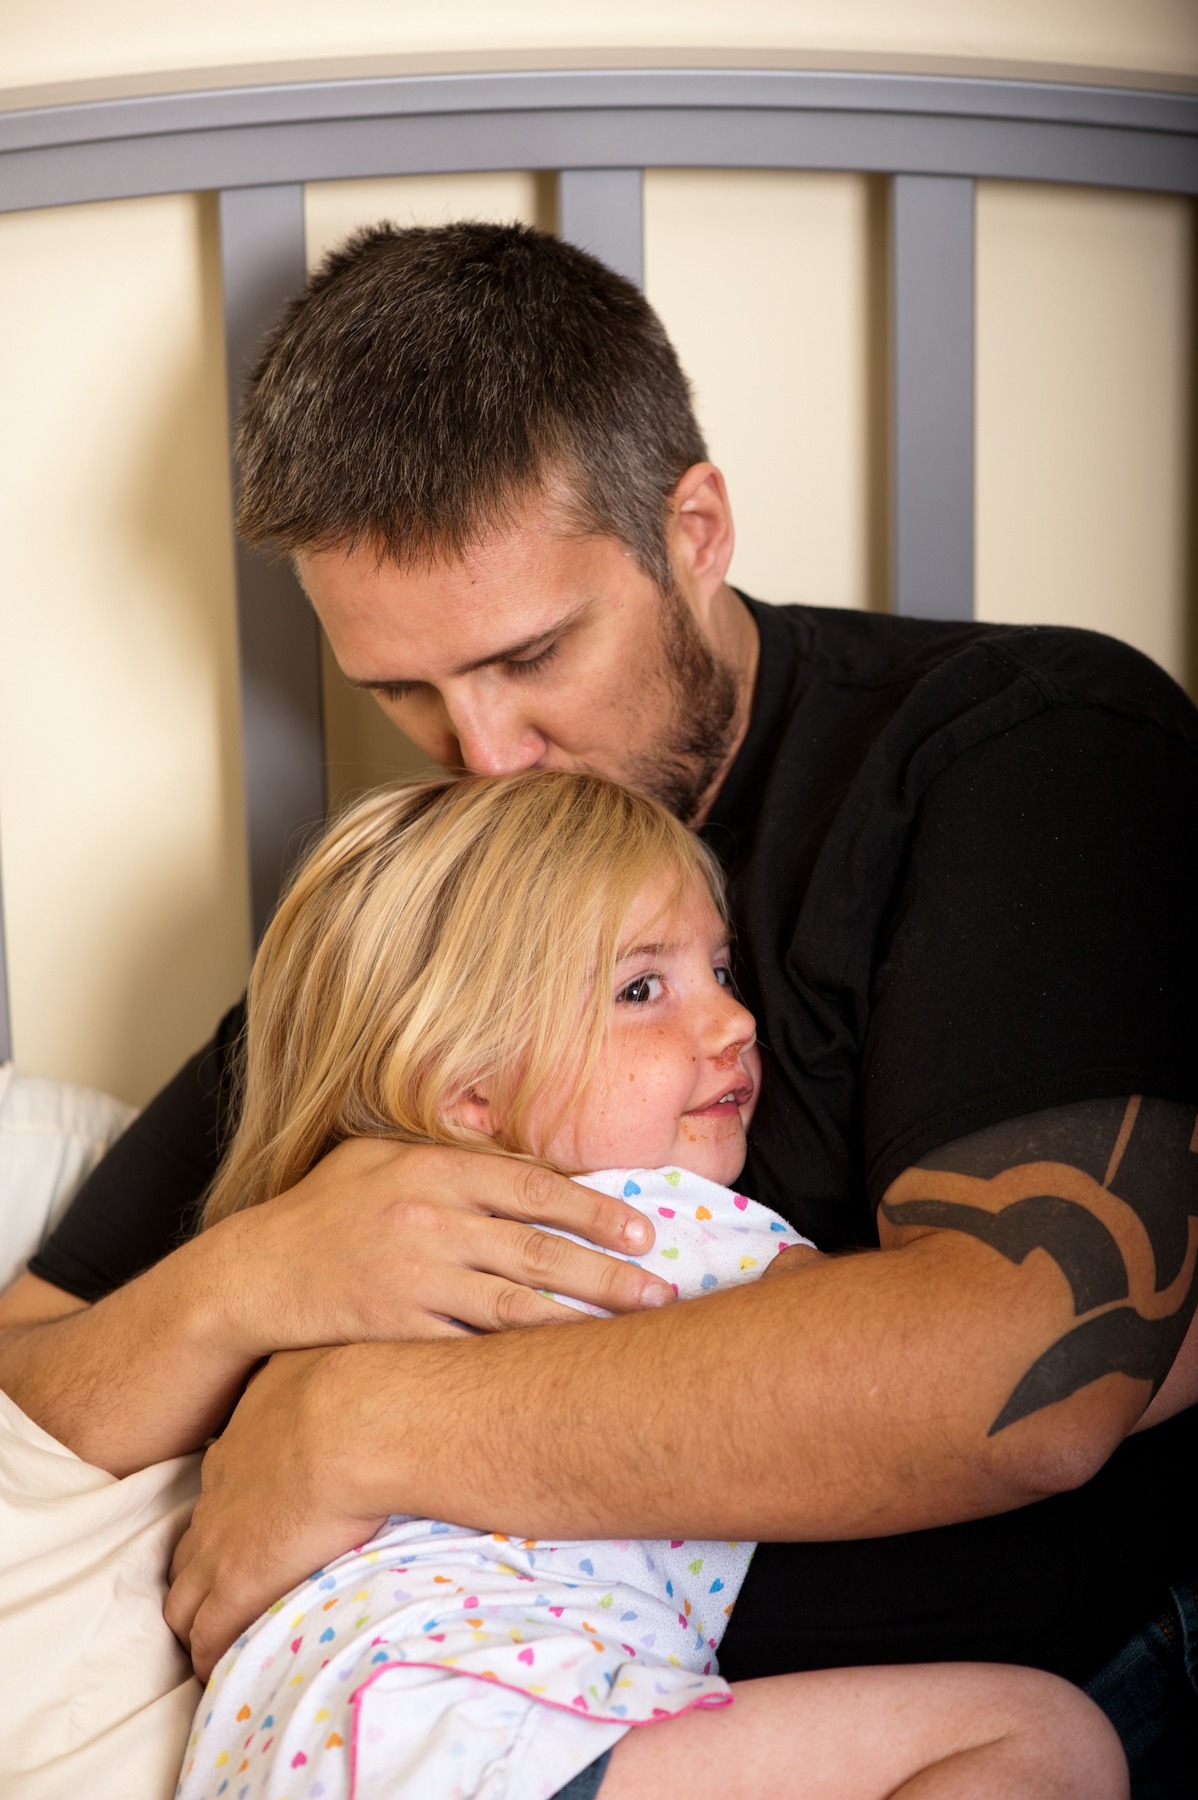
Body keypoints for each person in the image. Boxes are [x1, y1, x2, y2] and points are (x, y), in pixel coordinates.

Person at [0, 222, 1194, 1789]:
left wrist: (360, 1423)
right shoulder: (448, 903)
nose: (483, 753)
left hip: (991, 1711)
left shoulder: (1005, 751)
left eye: (532, 654)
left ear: (690, 526)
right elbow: (38, 1372)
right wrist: (249, 1285)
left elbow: (1039, 1369)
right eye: (401, 692)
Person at [178, 768, 1124, 1800]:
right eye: (642, 989)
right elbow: (967, 1351)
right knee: (1041, 1741)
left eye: (721, 969)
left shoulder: (332, 1279)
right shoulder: (648, 1224)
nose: (733, 1022)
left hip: (305, 1747)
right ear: (472, 1094)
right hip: (492, 1723)